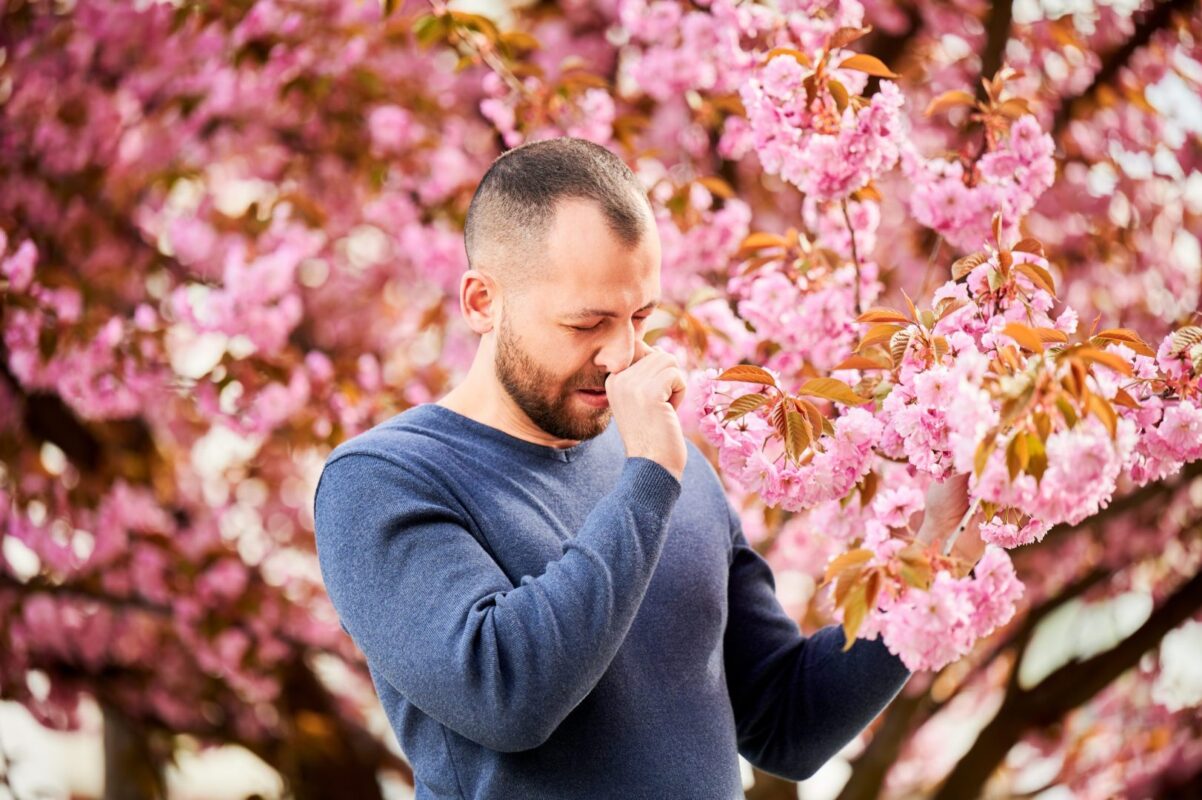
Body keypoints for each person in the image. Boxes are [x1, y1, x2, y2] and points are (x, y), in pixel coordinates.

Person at [312, 137, 970, 799]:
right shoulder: (380, 480)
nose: (621, 353)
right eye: (586, 323)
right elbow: (506, 695)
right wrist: (650, 476)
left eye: (640, 316)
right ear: (483, 301)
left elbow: (787, 725)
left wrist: (936, 548)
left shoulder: (668, 471)